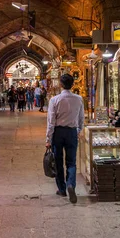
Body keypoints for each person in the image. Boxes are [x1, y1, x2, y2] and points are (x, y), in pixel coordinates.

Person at [45, 74, 84, 203]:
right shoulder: (78, 99)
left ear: (60, 85)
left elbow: (51, 121)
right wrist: (77, 130)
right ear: (72, 84)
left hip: (58, 132)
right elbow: (81, 118)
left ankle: (62, 189)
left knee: (58, 161)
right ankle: (71, 185)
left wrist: (48, 139)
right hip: (71, 132)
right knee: (71, 162)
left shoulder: (54, 100)